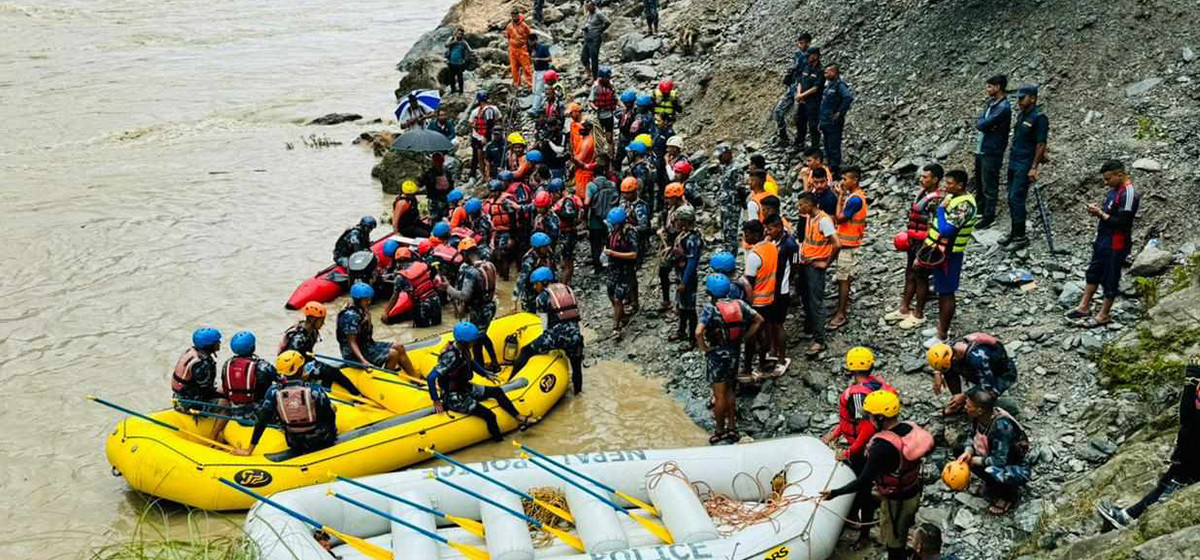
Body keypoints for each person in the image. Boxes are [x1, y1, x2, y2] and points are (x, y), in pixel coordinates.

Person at [821, 391, 933, 560]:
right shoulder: (909, 427)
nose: (869, 420)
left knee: (893, 541)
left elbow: (864, 480)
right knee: (901, 528)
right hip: (913, 490)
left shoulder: (882, 447)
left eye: (871, 416)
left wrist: (835, 493)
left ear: (880, 417)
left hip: (895, 499)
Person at [1097, 362, 1200, 529]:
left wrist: (1191, 382)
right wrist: (1191, 382)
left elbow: (1190, 422)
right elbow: (1187, 420)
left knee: (1174, 483)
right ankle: (1127, 516)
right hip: (1189, 454)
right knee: (1168, 480)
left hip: (1192, 459)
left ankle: (1133, 519)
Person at [822, 347, 895, 545]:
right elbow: (854, 423)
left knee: (862, 487)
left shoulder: (857, 395)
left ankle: (863, 532)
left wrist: (848, 452)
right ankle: (855, 515)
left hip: (864, 449)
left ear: (850, 368)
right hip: (879, 443)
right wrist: (835, 433)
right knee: (862, 484)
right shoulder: (876, 385)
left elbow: (865, 430)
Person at [429, 322, 538, 441]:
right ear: (465, 342)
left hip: (465, 387)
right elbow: (431, 377)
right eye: (473, 341)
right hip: (454, 397)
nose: (475, 342)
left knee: (497, 391)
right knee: (490, 415)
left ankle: (520, 417)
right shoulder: (451, 356)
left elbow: (470, 362)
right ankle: (499, 442)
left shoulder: (462, 348)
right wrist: (436, 400)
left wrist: (485, 373)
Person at [1068, 159, 1141, 329]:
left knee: (1110, 276)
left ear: (1120, 175)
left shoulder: (1129, 194)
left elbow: (1122, 222)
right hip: (1103, 237)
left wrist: (1100, 214)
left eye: (1108, 179)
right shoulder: (1114, 190)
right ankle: (1084, 306)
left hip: (1117, 241)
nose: (1105, 182)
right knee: (1094, 270)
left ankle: (1104, 314)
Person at [697, 274, 763, 444]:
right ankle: (732, 428)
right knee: (730, 391)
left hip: (717, 356)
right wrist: (744, 338)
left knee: (719, 395)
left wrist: (705, 347)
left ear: (711, 292)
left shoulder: (710, 309)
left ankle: (719, 430)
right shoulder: (739, 304)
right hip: (734, 353)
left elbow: (698, 332)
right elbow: (758, 320)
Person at [233, 350, 338, 456]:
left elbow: (262, 421)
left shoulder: (273, 392)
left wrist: (249, 450)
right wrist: (333, 434)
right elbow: (329, 416)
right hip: (320, 440)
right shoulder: (315, 390)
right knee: (332, 408)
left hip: (294, 442)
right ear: (300, 370)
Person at [921, 169, 977, 348]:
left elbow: (946, 230)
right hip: (942, 251)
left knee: (947, 292)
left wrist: (940, 210)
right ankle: (940, 326)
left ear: (960, 185)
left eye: (950, 183)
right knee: (941, 289)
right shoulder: (954, 198)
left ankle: (942, 335)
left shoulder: (964, 205)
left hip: (951, 254)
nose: (946, 186)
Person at [886, 163, 944, 331]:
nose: (921, 179)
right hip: (913, 241)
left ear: (935, 179)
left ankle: (918, 314)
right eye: (921, 176)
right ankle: (904, 308)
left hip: (925, 244)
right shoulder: (923, 194)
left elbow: (936, 226)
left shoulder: (937, 199)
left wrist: (928, 248)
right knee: (909, 273)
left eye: (925, 177)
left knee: (921, 276)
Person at [957, 387, 1032, 515]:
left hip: (1013, 464)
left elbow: (999, 460)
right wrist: (968, 451)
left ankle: (1008, 496)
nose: (965, 407)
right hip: (991, 453)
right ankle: (991, 484)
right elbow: (971, 436)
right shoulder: (979, 417)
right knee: (959, 452)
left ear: (979, 410)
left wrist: (977, 460)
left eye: (968, 405)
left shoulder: (1001, 427)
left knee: (992, 470)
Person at [512, 267, 586, 393]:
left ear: (543, 282)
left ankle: (511, 381)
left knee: (525, 351)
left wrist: (543, 344)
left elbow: (544, 327)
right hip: (576, 335)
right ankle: (578, 392)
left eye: (536, 284)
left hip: (557, 335)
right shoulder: (568, 289)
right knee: (576, 366)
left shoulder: (542, 297)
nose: (535, 287)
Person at [1000, 85, 1049, 251]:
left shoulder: (1039, 117)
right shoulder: (1022, 115)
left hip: (1025, 163)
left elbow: (1041, 143)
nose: (1019, 101)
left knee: (1017, 198)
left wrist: (1034, 167)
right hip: (1014, 161)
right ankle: (1014, 232)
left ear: (1033, 98)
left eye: (1022, 98)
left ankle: (1020, 237)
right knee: (1011, 198)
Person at [280, 302, 362, 396]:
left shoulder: (312, 331)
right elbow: (290, 361)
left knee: (326, 371)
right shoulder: (298, 339)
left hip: (305, 361)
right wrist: (302, 375)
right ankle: (356, 394)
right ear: (312, 319)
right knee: (332, 371)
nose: (323, 323)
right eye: (321, 320)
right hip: (295, 369)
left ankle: (327, 390)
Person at [337, 282, 417, 377]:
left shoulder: (361, 309)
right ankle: (385, 378)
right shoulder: (350, 316)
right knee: (393, 354)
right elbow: (352, 342)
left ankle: (415, 377)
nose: (369, 302)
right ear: (358, 300)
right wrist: (363, 361)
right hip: (353, 355)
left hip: (367, 346)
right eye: (366, 300)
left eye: (369, 299)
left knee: (399, 347)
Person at [926, 332, 1017, 414]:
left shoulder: (978, 358)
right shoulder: (952, 348)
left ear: (953, 358)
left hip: (1002, 374)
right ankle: (957, 402)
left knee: (985, 395)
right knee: (950, 370)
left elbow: (987, 386)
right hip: (979, 367)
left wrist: (965, 396)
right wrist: (937, 373)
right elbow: (941, 354)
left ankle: (982, 411)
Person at [445, 238, 500, 366]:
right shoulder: (489, 265)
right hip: (491, 306)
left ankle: (481, 367)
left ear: (465, 254)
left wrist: (448, 288)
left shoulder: (471, 272)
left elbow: (464, 295)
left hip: (479, 310)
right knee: (483, 335)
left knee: (476, 341)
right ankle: (494, 362)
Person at [797, 193, 839, 357]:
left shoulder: (823, 220)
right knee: (806, 297)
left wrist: (825, 263)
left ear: (810, 205)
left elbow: (837, 244)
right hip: (807, 262)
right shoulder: (810, 217)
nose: (799, 208)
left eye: (801, 205)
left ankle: (819, 340)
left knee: (816, 302)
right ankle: (811, 327)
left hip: (816, 266)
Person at [828, 165, 868, 331]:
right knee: (844, 276)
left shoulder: (855, 199)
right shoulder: (855, 196)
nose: (843, 182)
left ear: (855, 180)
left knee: (843, 278)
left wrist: (839, 198)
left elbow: (840, 218)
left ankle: (841, 313)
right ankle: (843, 306)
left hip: (847, 245)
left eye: (846, 179)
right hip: (849, 243)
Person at [171, 328, 228, 436]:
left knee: (222, 390)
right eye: (217, 342)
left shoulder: (192, 352)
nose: (219, 343)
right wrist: (228, 395)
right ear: (209, 346)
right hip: (189, 403)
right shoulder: (202, 363)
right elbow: (206, 392)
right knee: (227, 405)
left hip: (179, 396)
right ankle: (213, 436)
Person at [973, 74, 1011, 230]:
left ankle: (989, 216)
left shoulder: (1003, 108)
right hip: (982, 148)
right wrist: (985, 125)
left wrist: (985, 125)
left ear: (998, 87)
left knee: (989, 184)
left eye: (989, 86)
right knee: (980, 183)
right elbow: (981, 122)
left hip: (992, 150)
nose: (987, 90)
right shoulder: (990, 104)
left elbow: (983, 124)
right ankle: (979, 211)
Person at [741, 220, 779, 375]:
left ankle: (748, 367)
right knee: (765, 332)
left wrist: (745, 303)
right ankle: (763, 361)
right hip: (770, 298)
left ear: (756, 234)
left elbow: (749, 283)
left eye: (747, 234)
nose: (745, 237)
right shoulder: (772, 247)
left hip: (756, 301)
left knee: (752, 336)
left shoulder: (754, 255)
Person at [764, 213, 798, 367]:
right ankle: (772, 350)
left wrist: (790, 281)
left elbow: (796, 264)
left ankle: (782, 357)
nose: (767, 232)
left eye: (770, 229)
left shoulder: (790, 244)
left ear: (779, 227)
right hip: (771, 288)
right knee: (770, 322)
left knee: (778, 324)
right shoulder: (773, 241)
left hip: (781, 290)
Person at [667, 207, 703, 348]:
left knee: (689, 307)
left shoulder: (692, 239)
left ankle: (692, 338)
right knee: (681, 305)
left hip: (687, 276)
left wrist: (684, 281)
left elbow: (692, 262)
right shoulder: (683, 235)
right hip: (680, 273)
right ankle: (681, 331)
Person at [220, 331, 280, 409]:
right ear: (253, 347)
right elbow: (279, 379)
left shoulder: (227, 364)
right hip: (258, 404)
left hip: (234, 403)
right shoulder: (263, 365)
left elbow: (224, 385)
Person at [604, 207, 639, 339]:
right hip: (613, 267)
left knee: (619, 297)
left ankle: (616, 326)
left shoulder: (629, 232)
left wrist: (614, 254)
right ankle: (622, 315)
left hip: (625, 269)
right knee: (610, 293)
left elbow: (634, 254)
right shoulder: (613, 231)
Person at [657, 182, 692, 310]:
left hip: (679, 246)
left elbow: (681, 231)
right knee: (663, 271)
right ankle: (668, 300)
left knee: (680, 274)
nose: (667, 200)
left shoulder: (684, 211)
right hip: (671, 244)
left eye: (669, 198)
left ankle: (680, 304)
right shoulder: (672, 208)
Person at [774, 33, 812, 147]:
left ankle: (799, 141)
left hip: (802, 89)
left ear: (808, 43)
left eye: (803, 43)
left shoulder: (811, 57)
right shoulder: (797, 55)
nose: (801, 45)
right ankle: (783, 136)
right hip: (792, 87)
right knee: (778, 111)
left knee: (798, 116)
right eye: (800, 43)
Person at [819, 64, 853, 177]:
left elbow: (848, 97)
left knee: (834, 145)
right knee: (827, 145)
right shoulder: (829, 86)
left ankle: (835, 169)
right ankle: (829, 167)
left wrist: (840, 112)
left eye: (827, 72)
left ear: (834, 72)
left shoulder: (839, 85)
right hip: (825, 121)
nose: (825, 74)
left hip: (834, 122)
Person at [586, 156, 620, 269]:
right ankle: (610, 262)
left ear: (593, 174)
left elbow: (587, 202)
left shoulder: (591, 185)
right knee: (608, 241)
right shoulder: (612, 184)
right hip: (610, 218)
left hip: (595, 220)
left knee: (595, 244)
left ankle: (598, 266)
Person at [711, 143, 745, 253]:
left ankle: (731, 256)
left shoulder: (736, 168)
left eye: (721, 155)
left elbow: (741, 187)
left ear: (728, 154)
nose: (719, 158)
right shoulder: (724, 167)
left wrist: (742, 202)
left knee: (731, 232)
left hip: (732, 205)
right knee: (725, 230)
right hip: (725, 204)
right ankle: (726, 253)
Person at [548, 178, 583, 285]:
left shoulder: (567, 201)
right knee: (566, 260)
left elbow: (570, 215)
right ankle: (567, 283)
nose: (553, 196)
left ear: (558, 191)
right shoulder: (568, 199)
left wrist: (556, 211)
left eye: (553, 194)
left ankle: (564, 285)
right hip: (567, 233)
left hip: (569, 234)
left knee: (566, 261)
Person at [484, 179, 520, 280]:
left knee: (503, 256)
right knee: (496, 255)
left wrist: (512, 237)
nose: (492, 193)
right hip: (496, 232)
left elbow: (513, 219)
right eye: (491, 191)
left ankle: (506, 278)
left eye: (494, 191)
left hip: (507, 231)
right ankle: (500, 277)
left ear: (499, 191)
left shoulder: (506, 201)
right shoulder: (491, 201)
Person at [515, 232, 556, 312]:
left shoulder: (548, 253)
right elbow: (521, 279)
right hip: (531, 291)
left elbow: (553, 269)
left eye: (548, 246)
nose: (547, 248)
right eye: (545, 247)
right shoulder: (529, 259)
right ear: (538, 248)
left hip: (546, 287)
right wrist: (515, 300)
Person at [620, 175, 652, 271]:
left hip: (637, 240)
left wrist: (630, 228)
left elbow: (644, 226)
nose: (625, 196)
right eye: (624, 193)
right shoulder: (623, 203)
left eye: (628, 193)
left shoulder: (640, 207)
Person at [796, 48, 825, 152]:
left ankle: (815, 148)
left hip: (813, 102)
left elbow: (816, 88)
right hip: (802, 100)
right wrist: (799, 94)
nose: (807, 58)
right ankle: (799, 143)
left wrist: (802, 95)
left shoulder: (820, 70)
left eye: (809, 56)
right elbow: (800, 81)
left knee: (813, 125)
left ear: (815, 56)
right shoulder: (806, 67)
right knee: (800, 122)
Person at [468, 92, 501, 179]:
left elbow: (471, 123)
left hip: (482, 136)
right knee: (481, 156)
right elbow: (499, 120)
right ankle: (482, 174)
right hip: (482, 135)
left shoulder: (480, 111)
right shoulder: (493, 109)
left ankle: (484, 175)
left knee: (482, 157)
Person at [420, 154, 455, 222]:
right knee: (439, 217)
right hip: (439, 198)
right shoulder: (444, 171)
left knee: (439, 217)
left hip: (440, 198)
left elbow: (422, 184)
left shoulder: (432, 172)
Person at [590, 67, 619, 149]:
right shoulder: (595, 87)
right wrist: (595, 108)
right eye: (607, 78)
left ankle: (611, 153)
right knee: (598, 137)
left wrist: (622, 107)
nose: (608, 79)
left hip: (609, 116)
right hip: (599, 116)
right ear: (601, 78)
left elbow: (615, 99)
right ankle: (600, 153)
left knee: (609, 138)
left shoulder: (611, 85)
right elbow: (590, 101)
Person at [504, 8, 533, 88]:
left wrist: (529, 47)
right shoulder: (509, 26)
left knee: (526, 68)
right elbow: (508, 37)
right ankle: (516, 84)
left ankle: (530, 85)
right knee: (514, 69)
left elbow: (529, 35)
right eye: (512, 15)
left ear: (518, 15)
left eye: (515, 15)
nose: (514, 17)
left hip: (522, 49)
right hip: (513, 50)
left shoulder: (524, 25)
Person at [581, 1, 609, 80]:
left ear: (593, 6)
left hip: (595, 39)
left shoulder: (598, 13)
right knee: (584, 57)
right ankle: (588, 74)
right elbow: (589, 23)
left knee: (594, 59)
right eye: (587, 7)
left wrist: (600, 30)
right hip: (587, 38)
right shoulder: (589, 13)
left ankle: (595, 78)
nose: (587, 9)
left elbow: (608, 22)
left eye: (589, 7)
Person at [571, 120, 598, 200]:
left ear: (587, 129)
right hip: (581, 172)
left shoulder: (587, 143)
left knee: (583, 198)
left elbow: (579, 160)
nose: (579, 130)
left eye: (581, 128)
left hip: (584, 174)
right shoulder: (585, 138)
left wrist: (571, 158)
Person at [529, 35, 553, 115]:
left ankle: (535, 108)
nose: (530, 43)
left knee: (539, 90)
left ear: (535, 40)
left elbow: (549, 58)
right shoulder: (533, 49)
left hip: (543, 71)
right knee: (534, 90)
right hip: (536, 71)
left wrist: (539, 59)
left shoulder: (543, 47)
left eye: (531, 42)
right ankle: (540, 106)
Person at [444, 27, 472, 94]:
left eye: (461, 34)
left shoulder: (463, 43)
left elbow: (469, 50)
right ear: (456, 34)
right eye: (458, 34)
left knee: (460, 78)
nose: (459, 35)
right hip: (451, 62)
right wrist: (454, 42)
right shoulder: (451, 39)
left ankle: (461, 91)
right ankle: (453, 90)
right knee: (451, 78)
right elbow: (446, 45)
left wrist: (465, 59)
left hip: (460, 63)